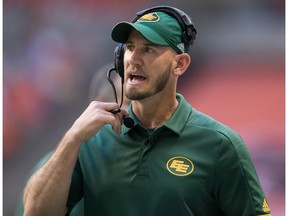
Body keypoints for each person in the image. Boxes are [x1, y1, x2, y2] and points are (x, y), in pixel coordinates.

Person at [23, 6, 271, 216]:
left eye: (149, 49)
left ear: (180, 64)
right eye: (130, 47)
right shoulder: (91, 139)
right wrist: (72, 138)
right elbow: (35, 212)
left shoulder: (220, 145)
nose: (134, 58)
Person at [16, 63, 129, 216]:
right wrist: (72, 138)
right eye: (129, 103)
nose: (136, 112)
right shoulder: (53, 166)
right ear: (101, 104)